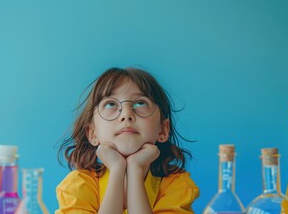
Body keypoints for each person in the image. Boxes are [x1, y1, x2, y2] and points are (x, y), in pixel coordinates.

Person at [56, 67, 199, 214]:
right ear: (92, 133)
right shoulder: (78, 186)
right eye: (111, 104)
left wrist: (135, 170)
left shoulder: (177, 186)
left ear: (163, 129)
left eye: (140, 103)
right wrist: (118, 170)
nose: (126, 114)